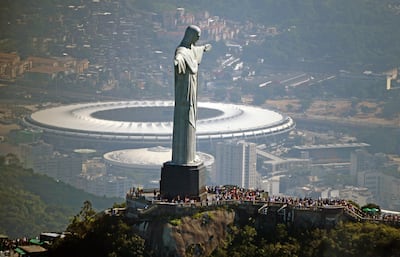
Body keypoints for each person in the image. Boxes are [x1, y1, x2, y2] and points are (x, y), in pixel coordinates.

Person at [171, 25, 211, 165]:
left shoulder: (192, 49)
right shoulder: (182, 51)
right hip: (185, 91)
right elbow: (180, 56)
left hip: (192, 88)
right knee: (185, 119)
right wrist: (177, 62)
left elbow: (196, 51)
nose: (197, 39)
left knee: (191, 117)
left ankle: (190, 156)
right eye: (196, 36)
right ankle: (183, 158)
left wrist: (204, 48)